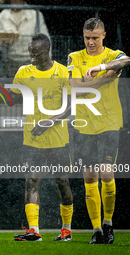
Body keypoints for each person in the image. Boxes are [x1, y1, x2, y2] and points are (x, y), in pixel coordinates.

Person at [0, 33, 73, 242]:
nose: (31, 55)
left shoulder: (62, 71)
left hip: (58, 140)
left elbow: (70, 107)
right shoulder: (24, 72)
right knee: (31, 181)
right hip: (32, 140)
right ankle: (34, 230)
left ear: (47, 50)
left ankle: (66, 230)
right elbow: (12, 100)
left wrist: (48, 123)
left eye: (36, 52)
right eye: (30, 51)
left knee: (62, 183)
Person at [68, 17, 126, 244]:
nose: (90, 42)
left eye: (94, 38)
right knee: (90, 179)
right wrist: (106, 78)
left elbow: (127, 60)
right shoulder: (75, 57)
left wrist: (98, 71)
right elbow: (74, 89)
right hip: (84, 125)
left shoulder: (113, 55)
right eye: (87, 38)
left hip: (110, 123)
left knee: (107, 175)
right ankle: (96, 230)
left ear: (103, 36)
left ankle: (108, 225)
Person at [0, 0, 50, 78]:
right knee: (13, 86)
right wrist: (3, 41)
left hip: (31, 60)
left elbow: (45, 39)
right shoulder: (2, 16)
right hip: (10, 61)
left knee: (31, 86)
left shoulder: (35, 14)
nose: (16, 1)